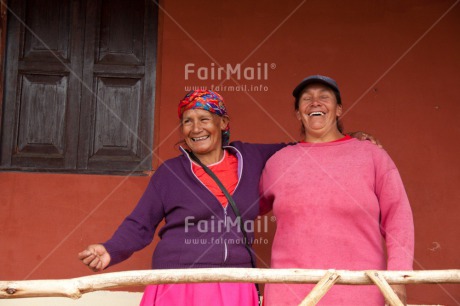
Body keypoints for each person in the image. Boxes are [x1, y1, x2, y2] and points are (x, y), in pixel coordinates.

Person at [78, 89, 379, 306]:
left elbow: (304, 151)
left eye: (204, 118)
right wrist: (110, 249)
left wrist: (348, 139)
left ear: (223, 123)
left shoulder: (252, 156)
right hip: (179, 281)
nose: (196, 128)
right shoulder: (170, 172)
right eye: (187, 121)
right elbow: (139, 223)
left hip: (235, 282)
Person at [259, 75, 414, 306]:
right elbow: (243, 209)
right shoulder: (278, 163)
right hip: (290, 295)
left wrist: (399, 280)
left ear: (339, 109)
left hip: (359, 293)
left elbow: (398, 219)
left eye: (324, 97)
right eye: (306, 99)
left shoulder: (372, 155)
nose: (315, 102)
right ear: (298, 113)